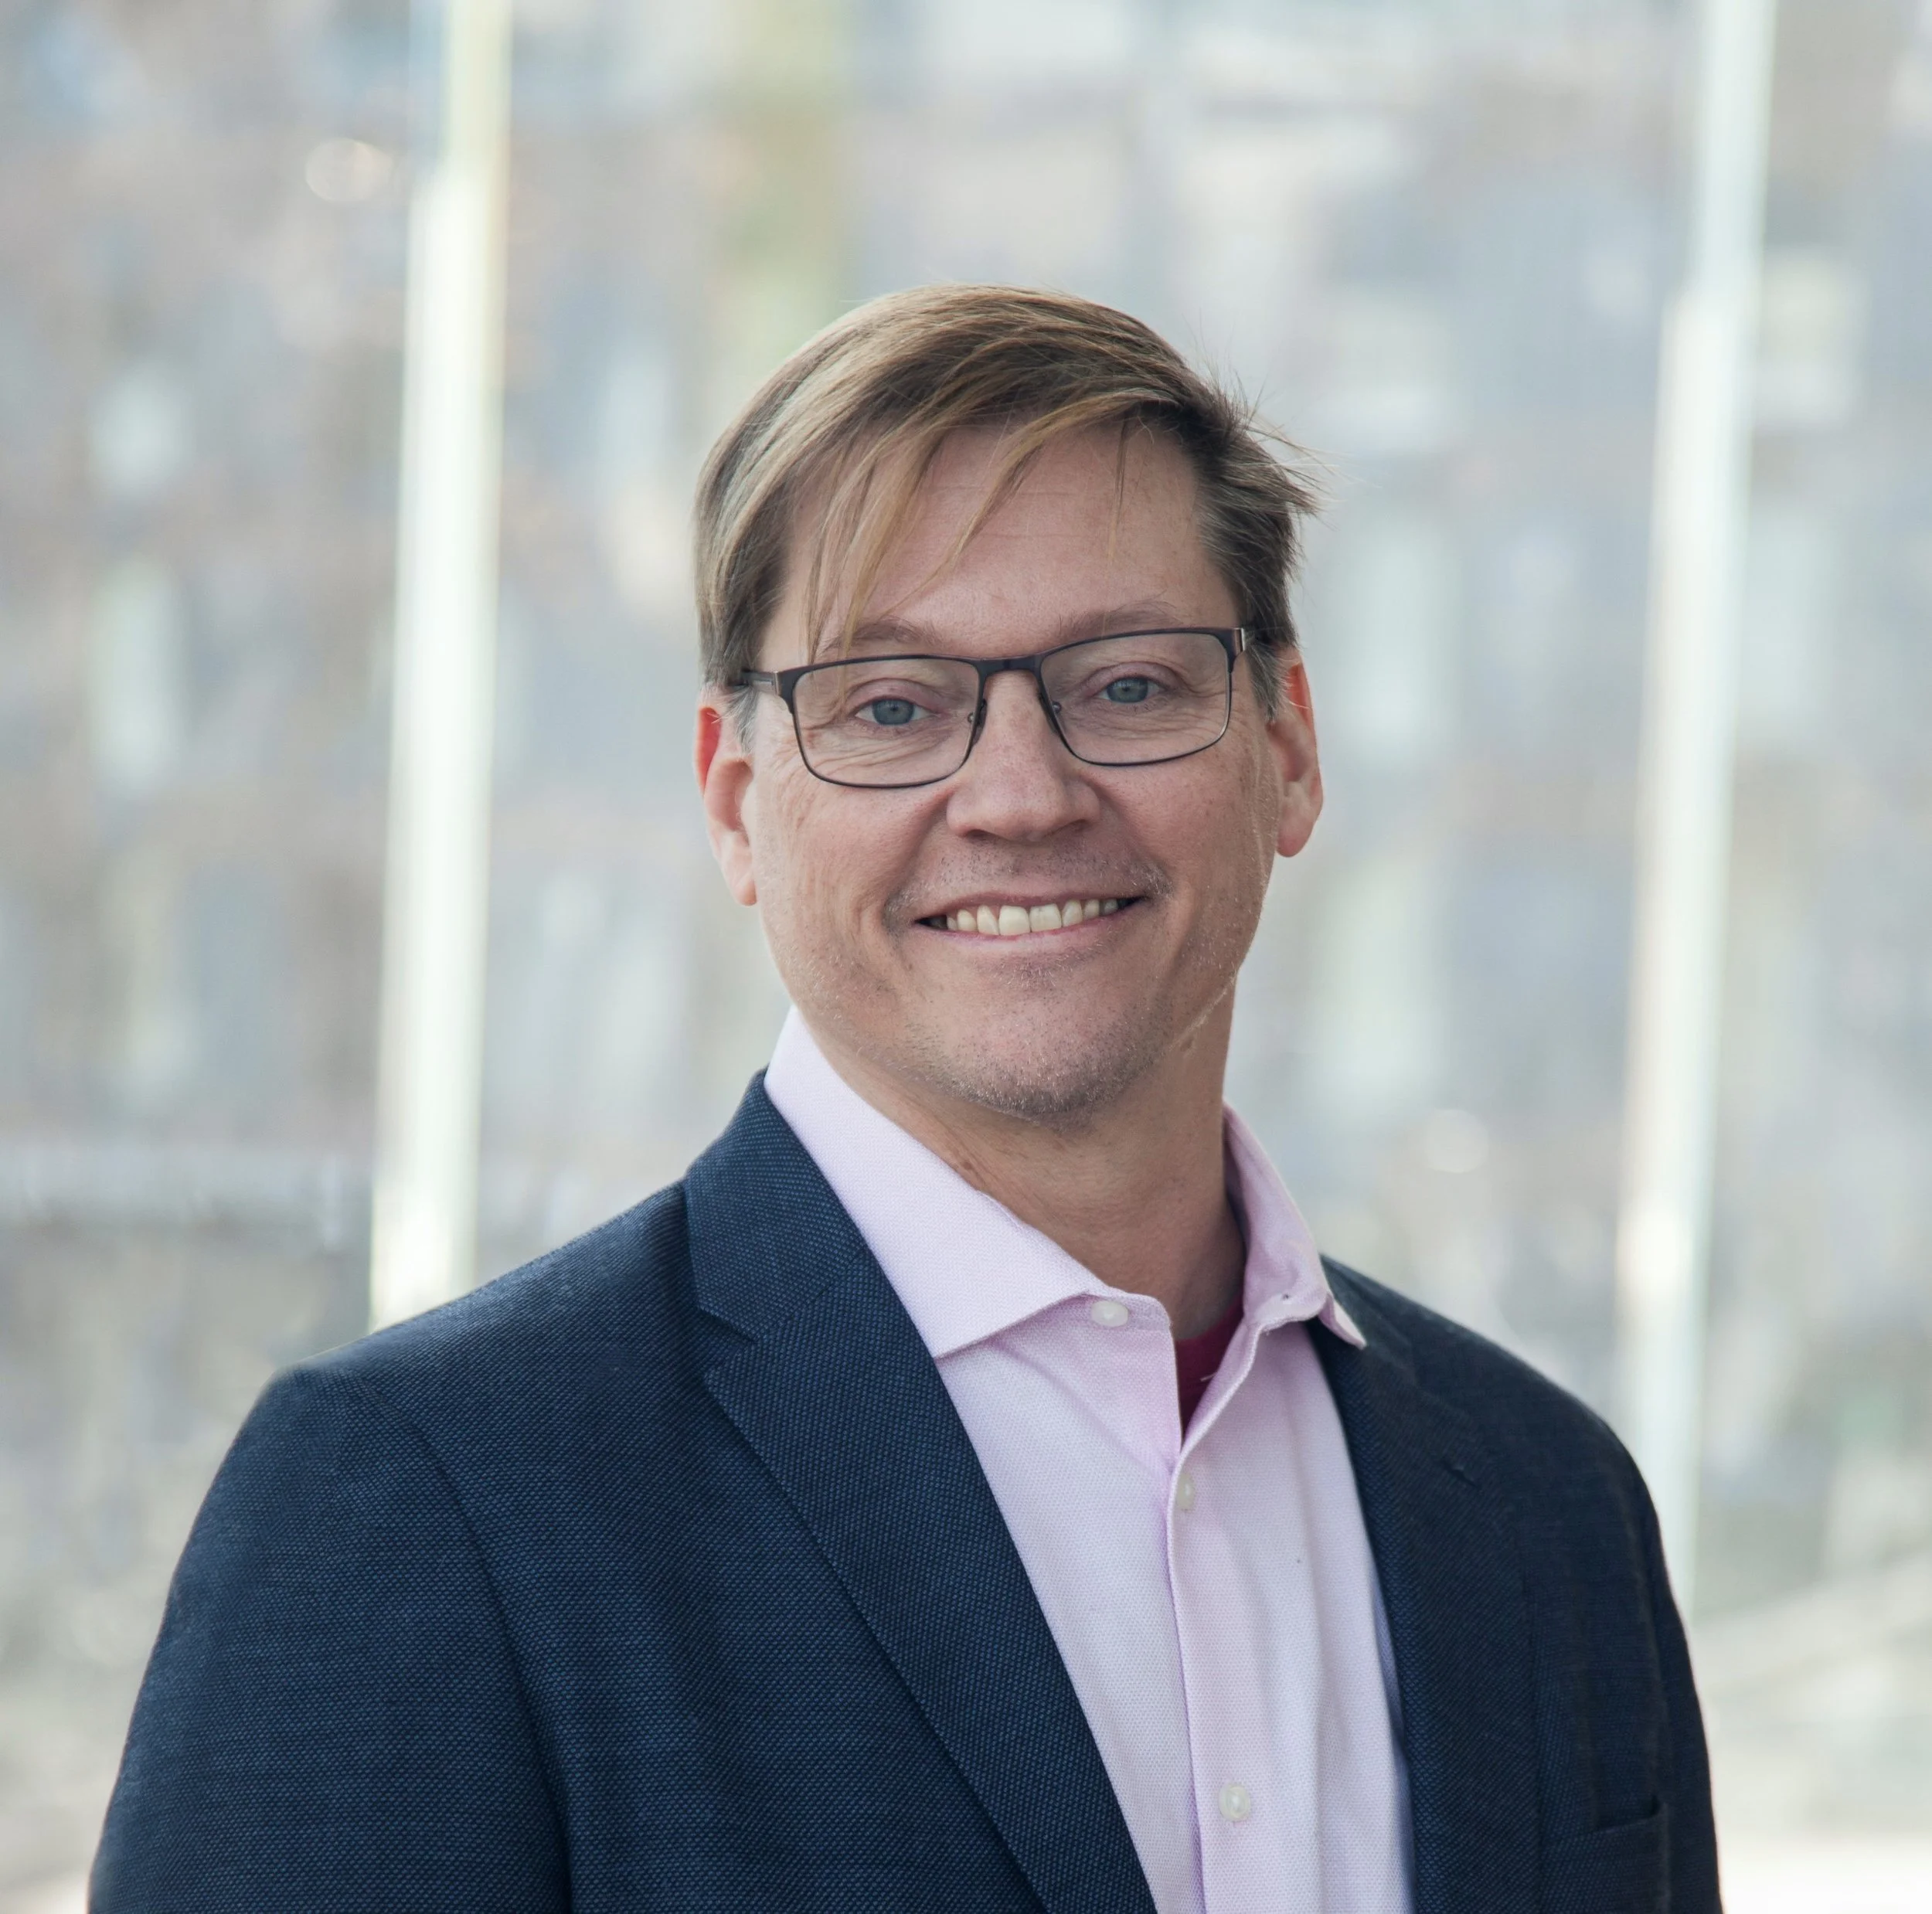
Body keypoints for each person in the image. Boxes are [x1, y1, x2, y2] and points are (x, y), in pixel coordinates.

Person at [94, 284, 1718, 1914]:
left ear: (1286, 747)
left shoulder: (1548, 1507)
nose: (1019, 794)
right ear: (737, 805)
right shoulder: (423, 1499)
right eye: (890, 707)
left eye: (1130, 684)